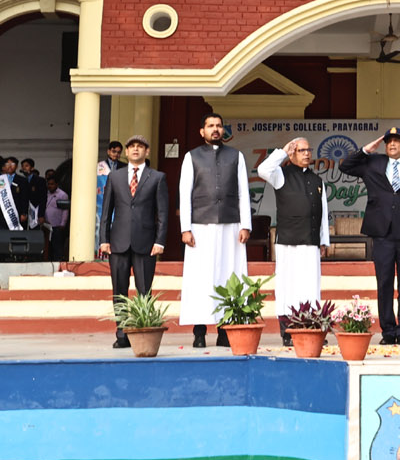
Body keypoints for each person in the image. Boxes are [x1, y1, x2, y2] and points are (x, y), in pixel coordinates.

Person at [339, 127, 400, 345]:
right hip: (382, 233)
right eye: (389, 141)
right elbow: (345, 166)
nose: (392, 144)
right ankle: (388, 330)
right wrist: (365, 150)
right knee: (384, 283)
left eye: (397, 141)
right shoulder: (372, 162)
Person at [179, 114, 252, 349]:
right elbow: (185, 193)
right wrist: (185, 228)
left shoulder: (236, 156)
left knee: (229, 276)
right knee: (200, 278)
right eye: (210, 126)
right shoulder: (191, 156)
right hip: (200, 227)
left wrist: (245, 224)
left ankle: (224, 330)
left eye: (219, 126)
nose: (215, 129)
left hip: (231, 225)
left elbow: (243, 192)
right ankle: (199, 331)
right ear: (202, 131)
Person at [258, 137, 331, 347]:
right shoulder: (281, 174)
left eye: (308, 150)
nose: (306, 153)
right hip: (288, 241)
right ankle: (288, 331)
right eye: (301, 150)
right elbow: (263, 170)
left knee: (311, 285)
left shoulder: (317, 180)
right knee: (287, 285)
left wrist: (323, 241)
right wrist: (282, 152)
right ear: (292, 154)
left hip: (310, 240)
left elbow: (323, 212)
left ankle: (311, 327)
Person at [100, 135, 169, 348]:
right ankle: (121, 334)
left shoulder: (157, 177)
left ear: (147, 152)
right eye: (132, 147)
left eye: (140, 146)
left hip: (146, 243)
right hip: (118, 242)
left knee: (144, 290)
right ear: (127, 152)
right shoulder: (115, 177)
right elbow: (106, 211)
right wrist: (104, 240)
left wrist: (160, 241)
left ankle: (143, 330)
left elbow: (162, 213)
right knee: (119, 290)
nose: (136, 149)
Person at [44, 172, 70, 261]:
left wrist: (63, 223)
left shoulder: (62, 195)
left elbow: (65, 210)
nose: (50, 186)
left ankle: (57, 261)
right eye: (48, 184)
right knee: (48, 247)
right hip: (47, 225)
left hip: (57, 225)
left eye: (52, 184)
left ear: (57, 184)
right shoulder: (45, 193)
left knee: (57, 246)